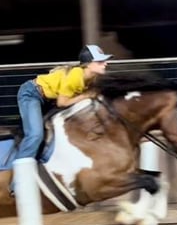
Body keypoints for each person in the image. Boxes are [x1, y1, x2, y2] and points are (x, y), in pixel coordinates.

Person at [9, 44, 112, 195]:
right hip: (31, 94)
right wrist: (85, 96)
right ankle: (17, 183)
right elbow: (62, 103)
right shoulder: (76, 77)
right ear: (88, 65)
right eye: (100, 61)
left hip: (47, 99)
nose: (106, 63)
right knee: (35, 135)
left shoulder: (91, 77)